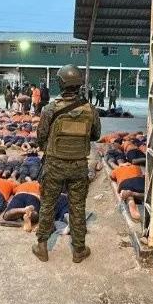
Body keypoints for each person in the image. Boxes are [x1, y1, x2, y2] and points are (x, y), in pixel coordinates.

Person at [33, 64, 101, 263]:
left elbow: (40, 136)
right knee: (77, 207)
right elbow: (95, 135)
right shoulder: (90, 109)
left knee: (47, 204)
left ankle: (42, 247)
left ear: (61, 83)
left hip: (54, 164)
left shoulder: (50, 109)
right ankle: (79, 249)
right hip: (79, 165)